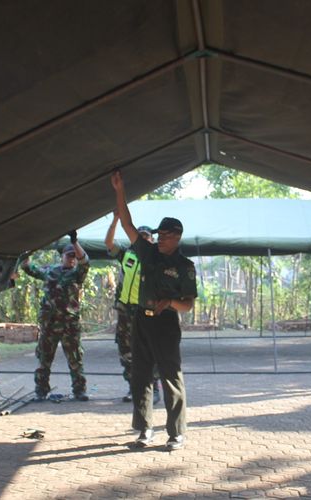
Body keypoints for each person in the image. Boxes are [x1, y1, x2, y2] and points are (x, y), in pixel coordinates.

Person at [111, 170, 197, 451]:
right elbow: (127, 224)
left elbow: (188, 304)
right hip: (140, 320)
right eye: (159, 234)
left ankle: (176, 433)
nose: (160, 239)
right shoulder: (148, 253)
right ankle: (145, 430)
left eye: (166, 235)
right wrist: (120, 190)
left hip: (166, 324)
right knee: (140, 376)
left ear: (178, 237)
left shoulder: (185, 267)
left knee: (171, 377)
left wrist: (170, 303)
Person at [22, 236, 90, 401]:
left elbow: (85, 262)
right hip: (50, 324)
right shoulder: (50, 271)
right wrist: (27, 249)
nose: (72, 259)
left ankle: (79, 390)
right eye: (69, 256)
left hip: (69, 325)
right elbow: (27, 266)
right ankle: (41, 390)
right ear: (62, 257)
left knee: (75, 358)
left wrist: (75, 242)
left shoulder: (77, 274)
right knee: (44, 359)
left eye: (74, 257)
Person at [105, 214, 161, 405]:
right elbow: (109, 243)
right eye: (141, 236)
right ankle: (133, 387)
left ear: (152, 240)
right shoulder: (127, 254)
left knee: (150, 349)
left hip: (145, 311)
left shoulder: (157, 258)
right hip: (125, 312)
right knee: (126, 350)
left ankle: (154, 388)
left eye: (147, 236)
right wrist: (114, 221)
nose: (144, 239)